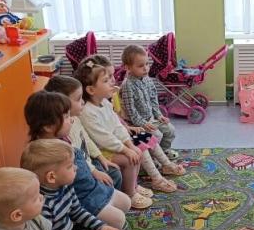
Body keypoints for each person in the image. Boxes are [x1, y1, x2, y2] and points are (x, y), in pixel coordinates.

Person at [24, 90, 130, 228]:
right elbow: (60, 194)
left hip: (90, 185)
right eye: (66, 117)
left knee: (126, 202)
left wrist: (94, 171)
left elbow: (82, 158)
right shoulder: (43, 154)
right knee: (119, 220)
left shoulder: (64, 137)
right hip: (81, 198)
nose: (72, 120)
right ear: (48, 126)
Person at [76, 56, 180, 195]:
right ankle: (151, 181)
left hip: (116, 143)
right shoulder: (88, 111)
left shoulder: (105, 103)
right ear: (91, 89)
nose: (113, 81)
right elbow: (104, 138)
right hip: (104, 150)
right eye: (106, 79)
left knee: (146, 138)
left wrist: (129, 145)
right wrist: (127, 148)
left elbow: (117, 125)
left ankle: (166, 166)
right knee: (137, 150)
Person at [43, 75, 125, 193]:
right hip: (82, 169)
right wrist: (94, 171)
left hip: (91, 161)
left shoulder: (76, 118)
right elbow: (77, 159)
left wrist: (101, 158)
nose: (82, 102)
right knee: (107, 181)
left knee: (114, 174)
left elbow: (86, 139)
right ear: (62, 103)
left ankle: (112, 197)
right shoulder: (64, 130)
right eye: (78, 99)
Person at [119, 44, 184, 164]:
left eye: (147, 64)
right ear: (128, 67)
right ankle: (152, 158)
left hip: (152, 118)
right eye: (140, 66)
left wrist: (158, 115)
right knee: (157, 135)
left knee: (170, 130)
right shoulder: (128, 85)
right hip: (137, 123)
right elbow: (131, 110)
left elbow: (154, 100)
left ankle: (164, 151)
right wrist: (143, 123)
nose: (145, 68)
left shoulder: (147, 79)